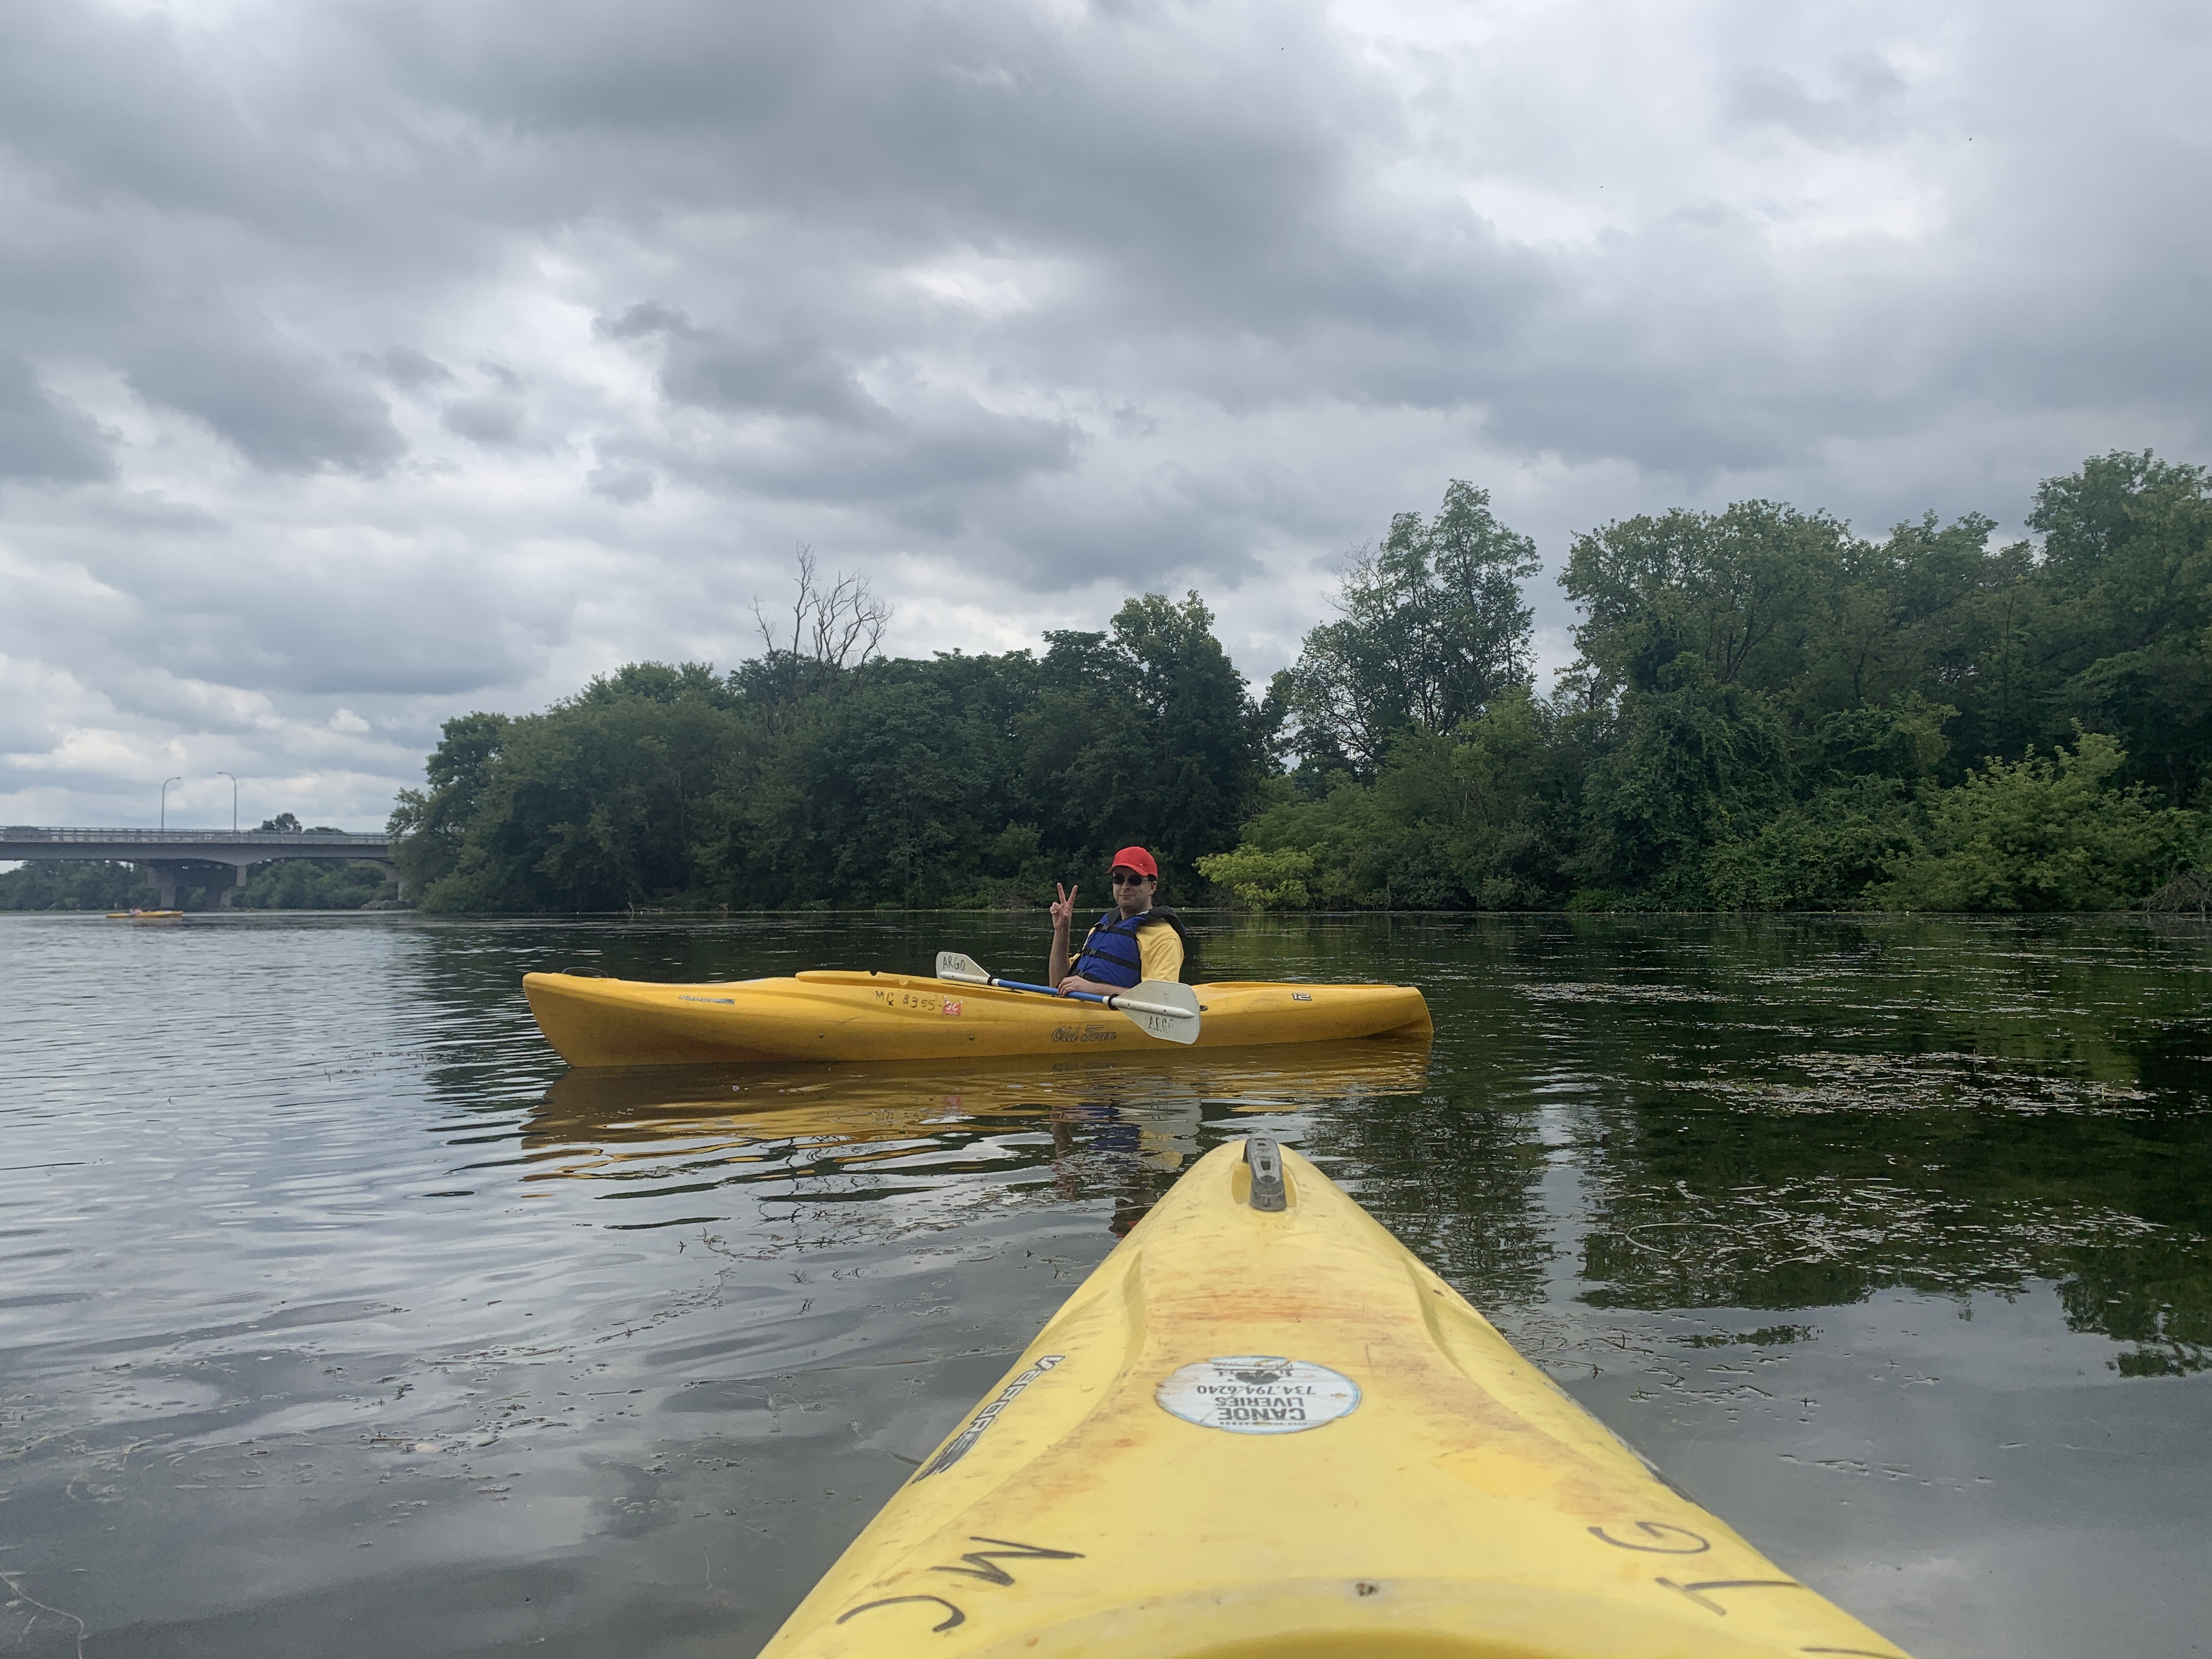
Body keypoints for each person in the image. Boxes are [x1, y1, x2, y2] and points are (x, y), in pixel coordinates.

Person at [1048, 846, 1191, 995]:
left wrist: (1093, 988)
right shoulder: (1102, 927)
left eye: (1135, 880)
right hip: (1078, 1009)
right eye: (1119, 879)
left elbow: (1162, 1000)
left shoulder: (1164, 938)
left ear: (1152, 888)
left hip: (1113, 1014)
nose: (1125, 886)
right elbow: (1057, 983)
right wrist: (1061, 931)